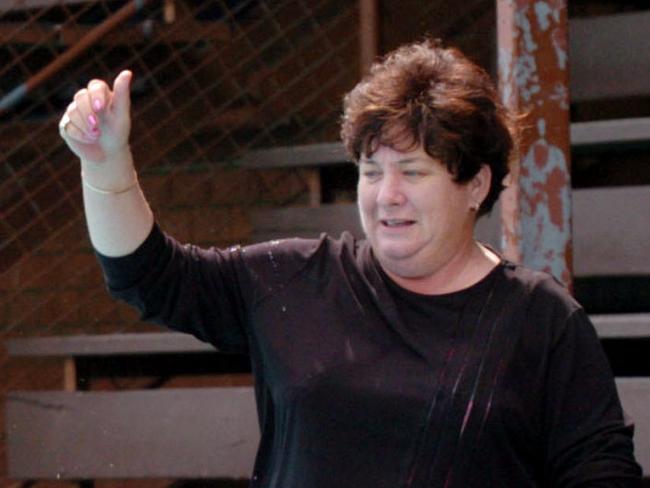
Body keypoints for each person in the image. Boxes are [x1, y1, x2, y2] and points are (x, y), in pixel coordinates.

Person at [59, 39, 641, 487]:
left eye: (413, 173)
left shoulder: (542, 322)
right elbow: (147, 274)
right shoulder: (298, 280)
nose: (386, 194)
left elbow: (602, 475)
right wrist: (104, 165)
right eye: (370, 171)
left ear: (475, 184)